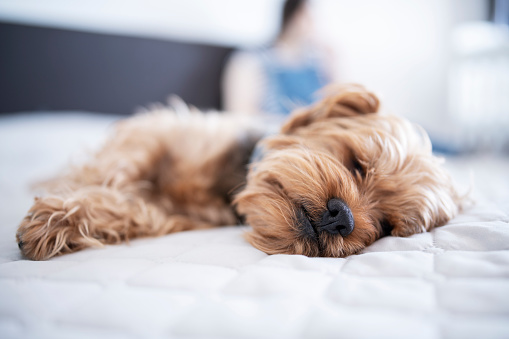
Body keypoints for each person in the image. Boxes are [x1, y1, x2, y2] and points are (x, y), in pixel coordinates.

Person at [222, 0, 335, 118]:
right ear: (296, 16)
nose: (314, 25)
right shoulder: (249, 60)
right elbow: (240, 116)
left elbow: (332, 104)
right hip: (273, 132)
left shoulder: (318, 63)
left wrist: (332, 64)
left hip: (316, 132)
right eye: (310, 17)